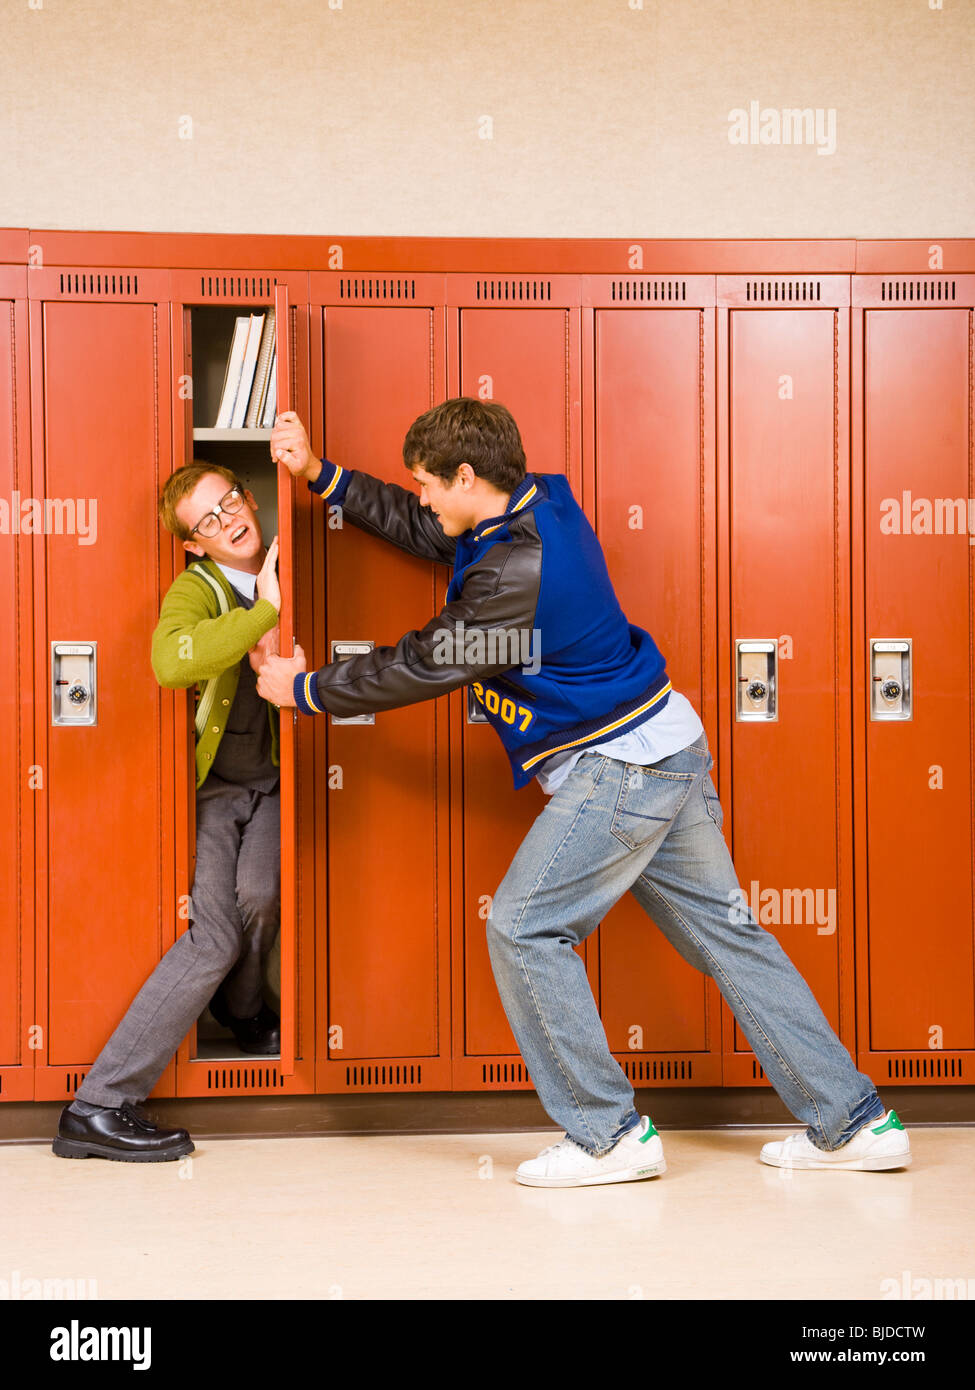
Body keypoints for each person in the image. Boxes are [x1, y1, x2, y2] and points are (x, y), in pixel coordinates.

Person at [258, 399, 912, 1187]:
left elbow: (427, 662)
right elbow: (433, 531)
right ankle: (855, 1124)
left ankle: (606, 1135)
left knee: (523, 928)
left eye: (428, 482)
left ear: (468, 476)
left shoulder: (518, 579)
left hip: (622, 771)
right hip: (666, 743)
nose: (423, 496)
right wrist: (321, 476)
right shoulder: (537, 501)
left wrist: (304, 689)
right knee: (731, 937)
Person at [52, 463, 284, 1162]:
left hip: (275, 785)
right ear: (193, 544)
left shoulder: (290, 558)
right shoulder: (197, 588)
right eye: (206, 521)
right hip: (214, 791)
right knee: (213, 937)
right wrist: (263, 610)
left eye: (232, 501)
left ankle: (241, 1009)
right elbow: (171, 662)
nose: (229, 521)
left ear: (248, 496)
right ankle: (96, 1106)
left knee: (262, 894)